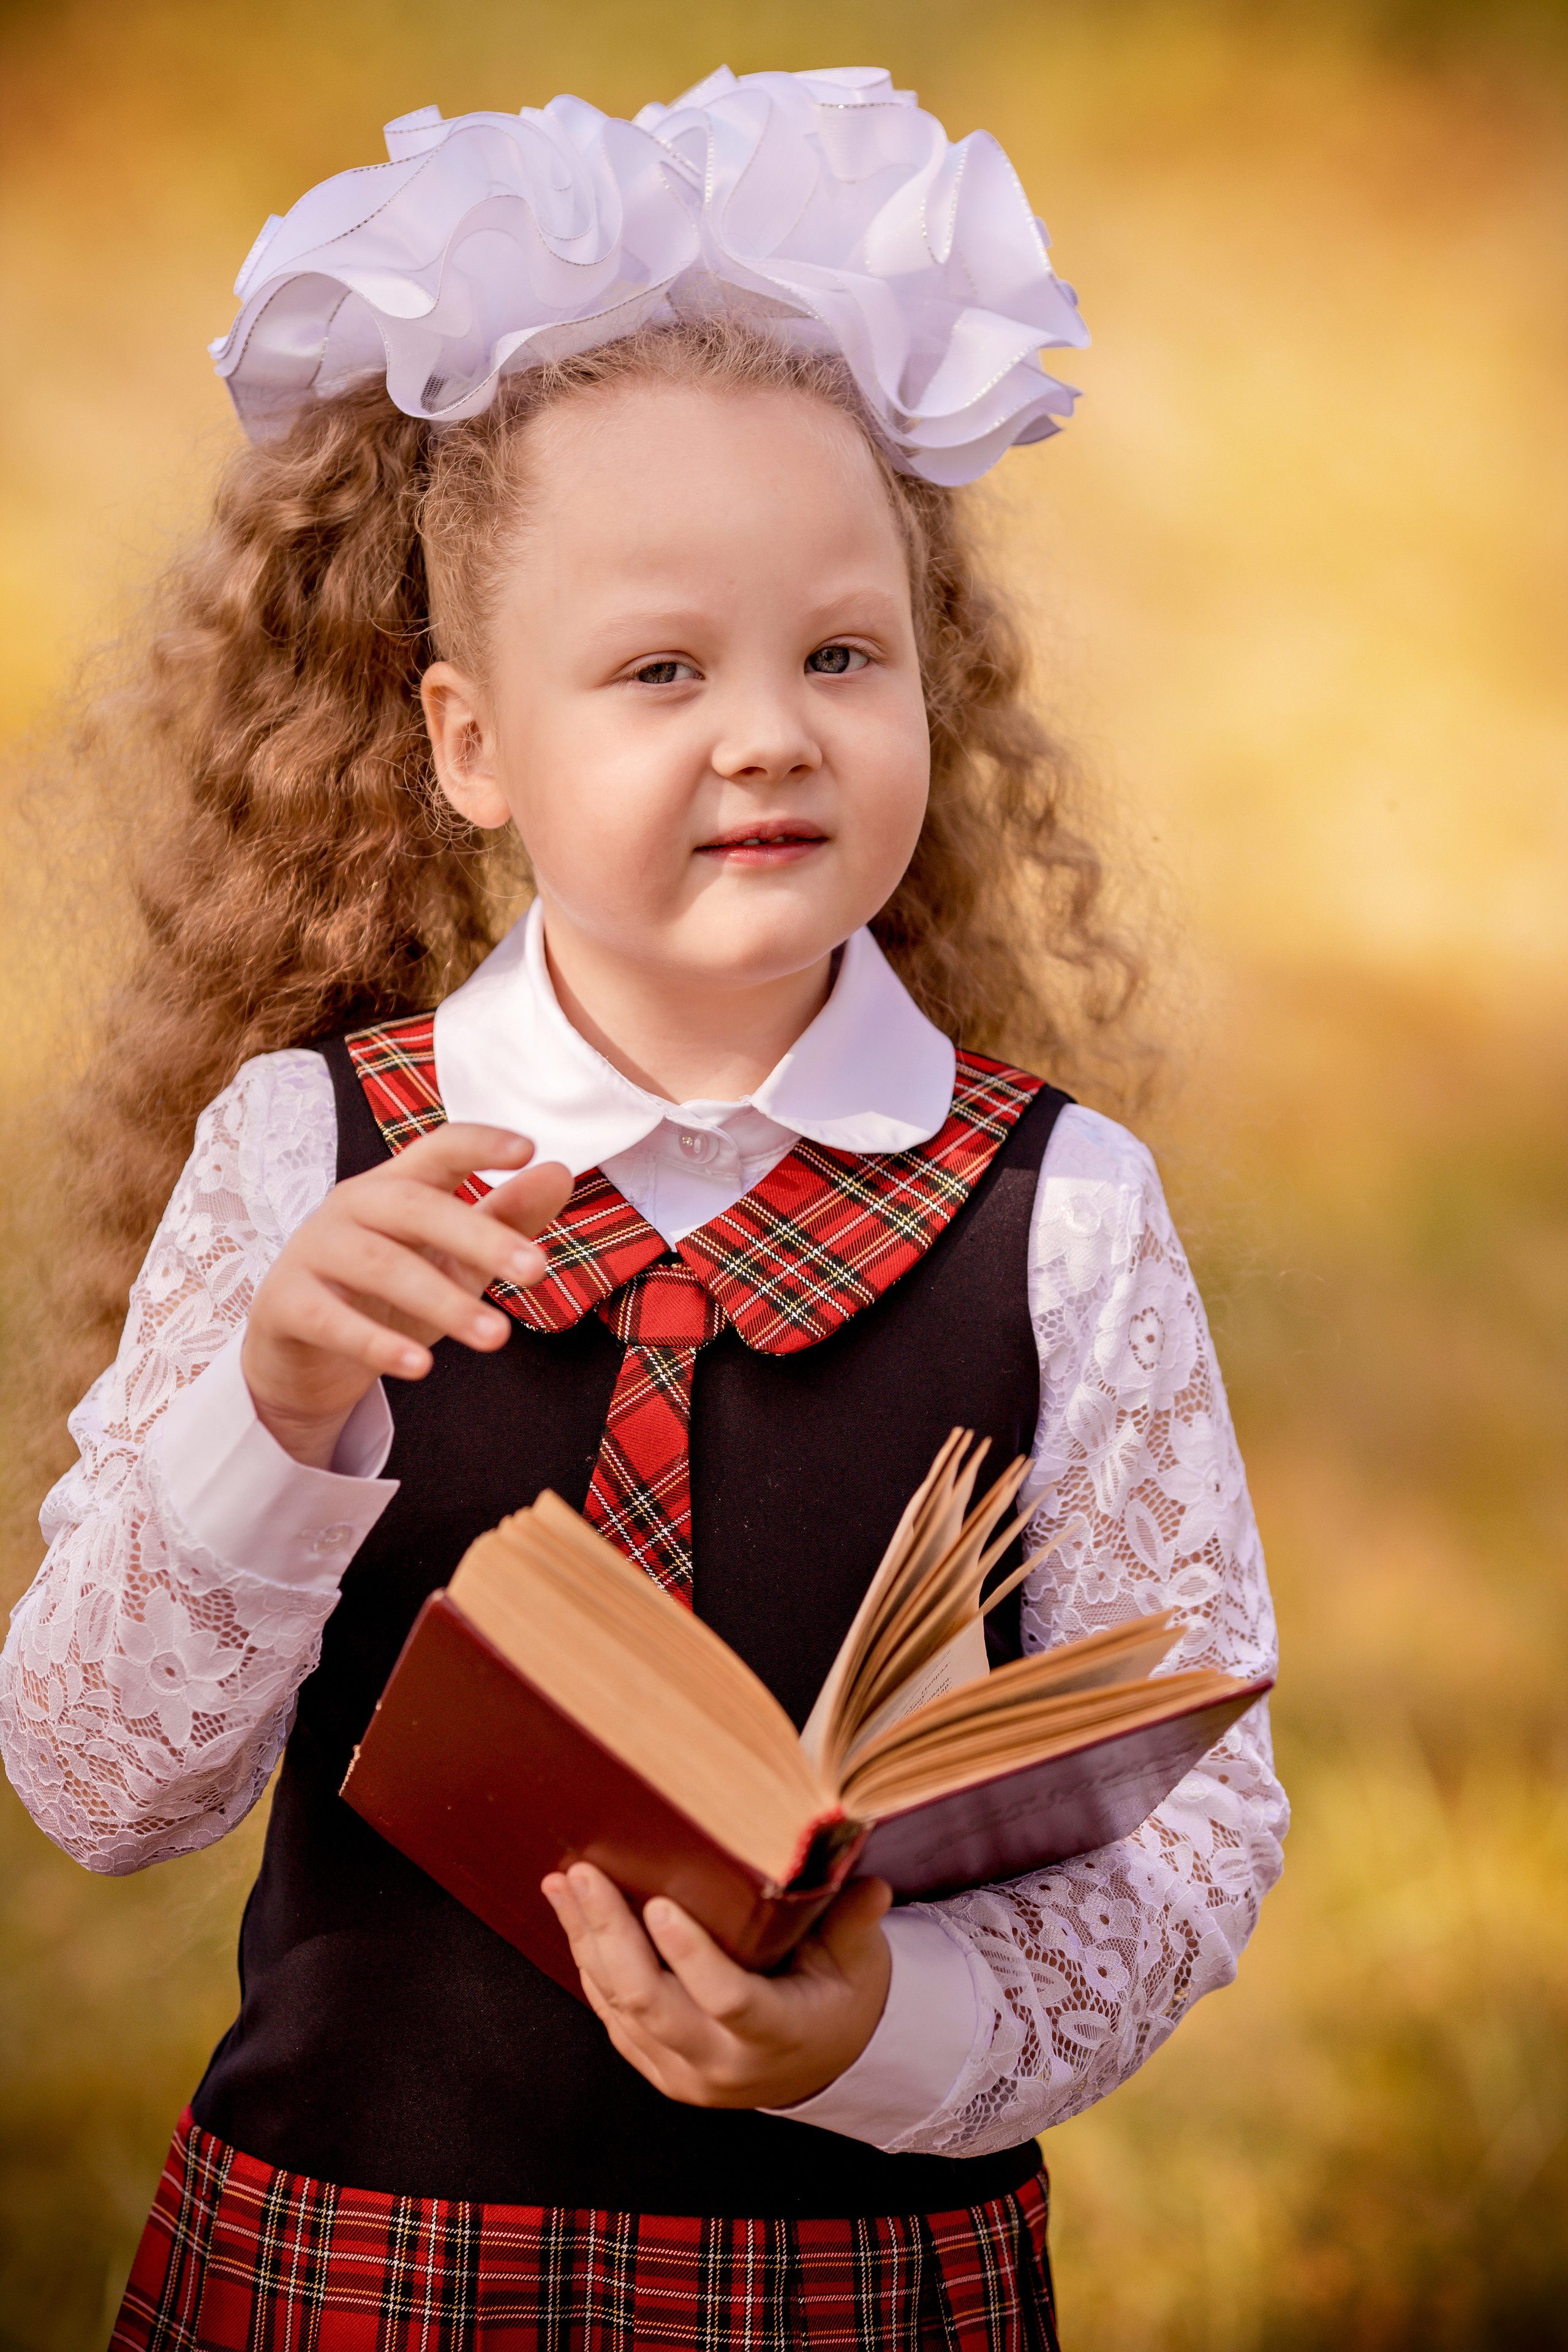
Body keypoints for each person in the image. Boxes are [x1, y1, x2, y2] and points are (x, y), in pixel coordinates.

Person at [0, 66, 1286, 2350]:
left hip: (861, 2281)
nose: (769, 732)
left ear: (931, 690)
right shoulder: (312, 1158)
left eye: (840, 654)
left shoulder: (1061, 1210)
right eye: (662, 670)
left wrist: (879, 2034)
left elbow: (1193, 1816)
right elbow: (101, 1789)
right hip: (349, 2268)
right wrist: (273, 1405)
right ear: (470, 742)